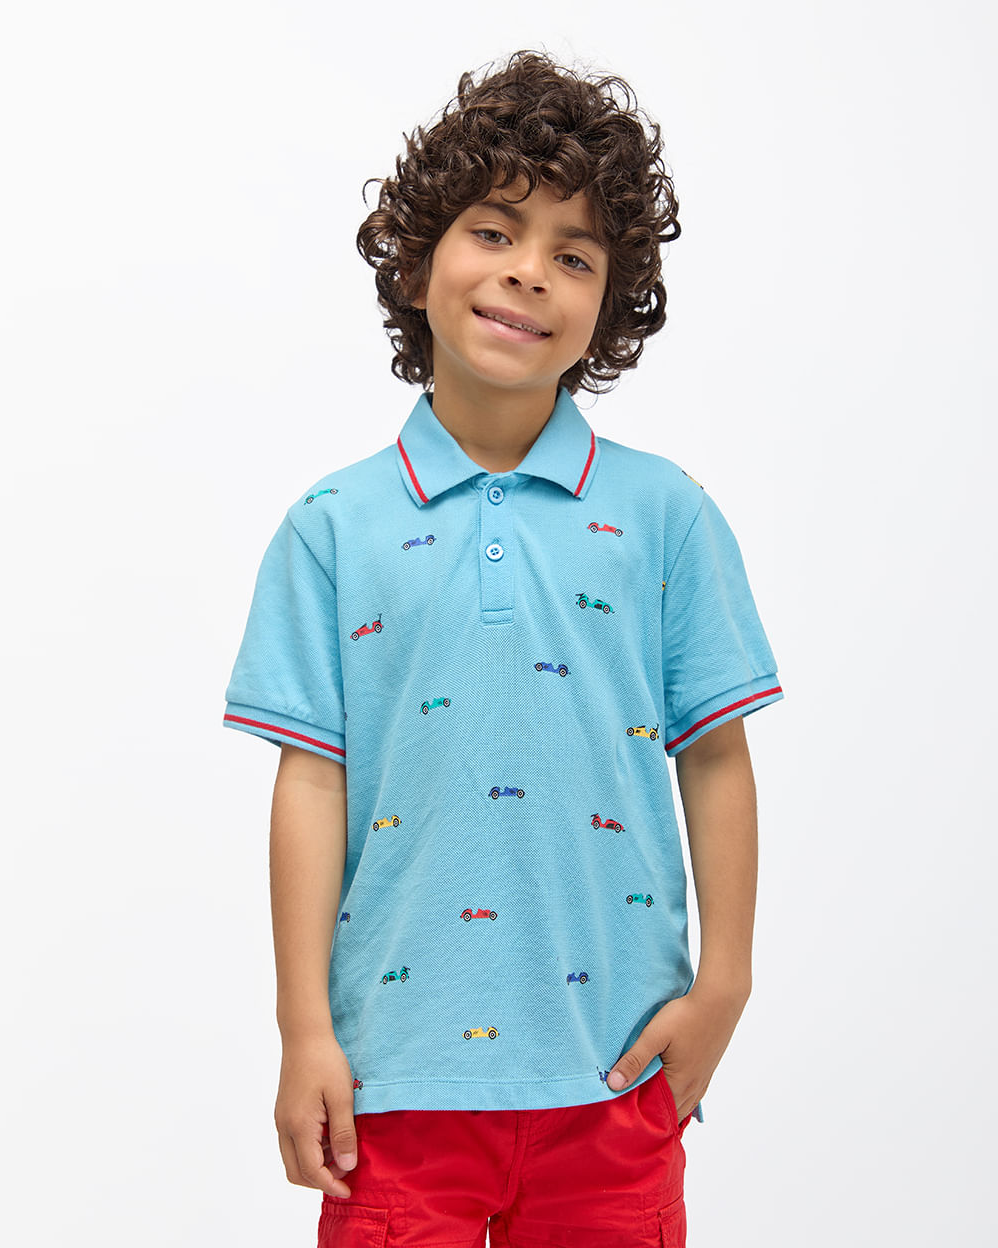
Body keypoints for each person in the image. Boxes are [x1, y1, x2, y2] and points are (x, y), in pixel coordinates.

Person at [223, 50, 784, 1248]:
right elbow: (311, 782)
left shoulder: (666, 515)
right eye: (493, 231)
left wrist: (725, 982)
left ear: (608, 309)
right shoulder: (330, 528)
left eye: (574, 256)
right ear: (417, 259)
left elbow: (714, 754)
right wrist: (303, 1029)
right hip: (391, 1085)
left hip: (614, 1074)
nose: (529, 270)